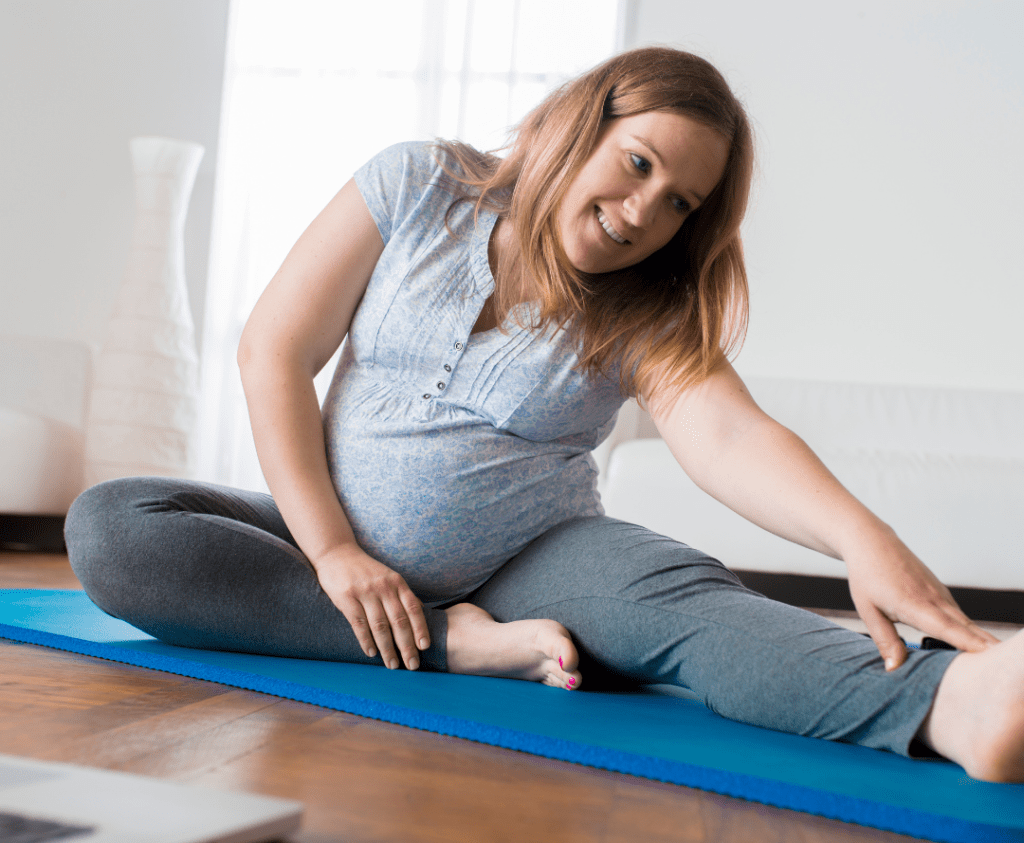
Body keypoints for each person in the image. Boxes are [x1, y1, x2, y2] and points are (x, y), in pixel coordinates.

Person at [65, 47, 1024, 782]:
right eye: (638, 163)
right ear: (581, 123)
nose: (645, 210)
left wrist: (863, 539)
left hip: (539, 557)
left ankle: (956, 705)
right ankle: (455, 646)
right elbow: (275, 349)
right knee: (113, 528)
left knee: (701, 613)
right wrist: (332, 551)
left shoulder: (645, 310)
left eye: (679, 202)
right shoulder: (418, 187)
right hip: (331, 545)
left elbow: (730, 435)